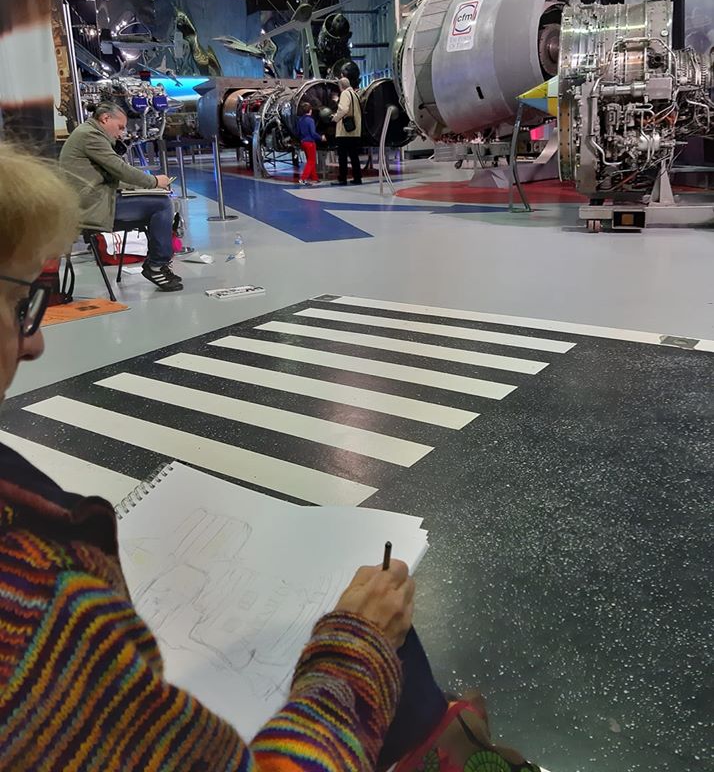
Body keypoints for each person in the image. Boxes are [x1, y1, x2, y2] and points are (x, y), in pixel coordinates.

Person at [0, 145, 543, 772]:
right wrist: (357, 648)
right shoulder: (36, 603)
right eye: (21, 306)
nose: (36, 343)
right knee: (389, 637)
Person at [59, 102, 182, 292]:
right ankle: (157, 265)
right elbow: (120, 169)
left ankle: (158, 262)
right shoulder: (90, 136)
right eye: (120, 127)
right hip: (91, 207)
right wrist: (154, 181)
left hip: (94, 200)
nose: (121, 133)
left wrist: (142, 186)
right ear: (105, 118)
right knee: (162, 205)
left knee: (158, 203)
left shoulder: (89, 133)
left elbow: (111, 176)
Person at [333, 76, 363, 185]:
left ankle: (342, 178)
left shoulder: (345, 93)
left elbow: (344, 109)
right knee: (354, 156)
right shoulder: (355, 94)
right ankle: (357, 178)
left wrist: (335, 118)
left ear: (341, 86)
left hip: (345, 132)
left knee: (343, 156)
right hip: (355, 131)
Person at [296, 100, 325, 186]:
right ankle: (303, 178)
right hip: (310, 143)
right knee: (311, 161)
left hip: (303, 142)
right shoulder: (310, 120)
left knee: (310, 160)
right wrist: (321, 138)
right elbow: (313, 133)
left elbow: (298, 132)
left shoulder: (300, 120)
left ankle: (315, 178)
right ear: (310, 110)